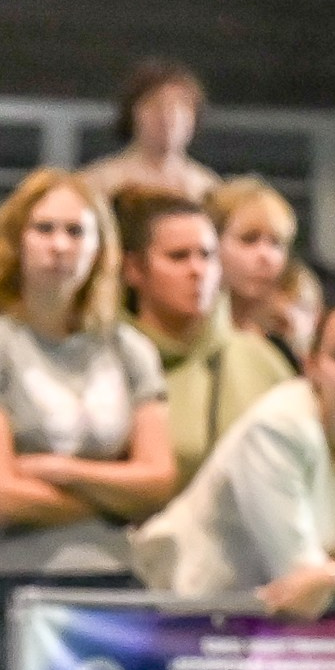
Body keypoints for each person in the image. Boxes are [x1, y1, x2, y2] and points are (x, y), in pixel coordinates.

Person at [0, 169, 176, 670]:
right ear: (16, 242)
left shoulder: (130, 350)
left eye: (77, 230)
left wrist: (57, 470)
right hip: (7, 593)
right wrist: (112, 496)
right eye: (44, 228)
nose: (60, 244)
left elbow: (159, 482)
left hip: (115, 589)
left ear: (101, 248)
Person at [134, 301, 335, 612]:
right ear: (311, 366)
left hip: (298, 621)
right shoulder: (276, 425)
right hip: (193, 606)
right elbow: (297, 581)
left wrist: (333, 576)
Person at [117, 191, 293, 489]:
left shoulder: (264, 361)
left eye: (207, 256)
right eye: (178, 257)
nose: (197, 270)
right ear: (134, 270)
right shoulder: (103, 359)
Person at [207, 176, 320, 368]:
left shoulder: (291, 335)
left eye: (276, 243)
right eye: (249, 239)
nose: (266, 256)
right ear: (212, 242)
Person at [80, 58, 219, 203]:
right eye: (156, 105)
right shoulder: (100, 183)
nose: (168, 117)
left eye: (180, 106)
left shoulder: (208, 188)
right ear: (132, 112)